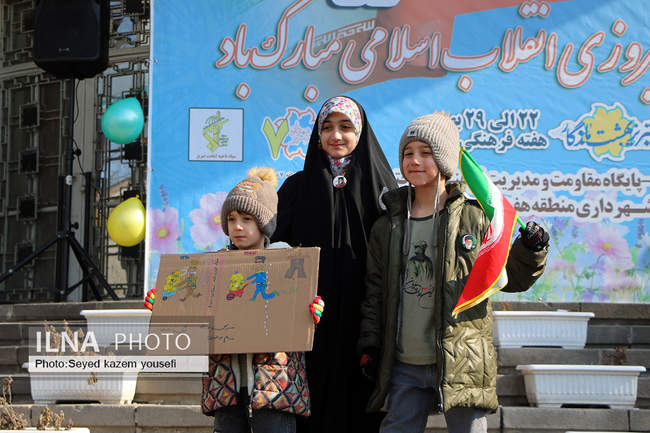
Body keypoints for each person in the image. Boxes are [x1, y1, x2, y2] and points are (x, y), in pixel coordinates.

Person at [358, 112, 550, 433]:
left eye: (426, 152)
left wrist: (531, 250)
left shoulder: (475, 219)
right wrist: (370, 345)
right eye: (408, 153)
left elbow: (511, 278)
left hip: (464, 360)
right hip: (404, 363)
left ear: (445, 160)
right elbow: (375, 293)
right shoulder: (387, 225)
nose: (414, 160)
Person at [146, 167, 324, 433]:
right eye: (231, 219)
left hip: (274, 387)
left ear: (264, 224)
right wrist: (164, 305)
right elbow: (191, 320)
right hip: (225, 388)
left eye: (247, 219)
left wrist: (312, 312)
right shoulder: (211, 267)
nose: (237, 226)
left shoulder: (287, 262)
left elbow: (299, 323)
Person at [272, 96, 398, 433]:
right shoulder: (296, 188)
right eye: (327, 127)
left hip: (366, 320)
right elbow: (267, 248)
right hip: (310, 321)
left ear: (360, 133)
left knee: (362, 405)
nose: (336, 135)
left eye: (345, 127)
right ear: (317, 135)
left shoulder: (383, 189)